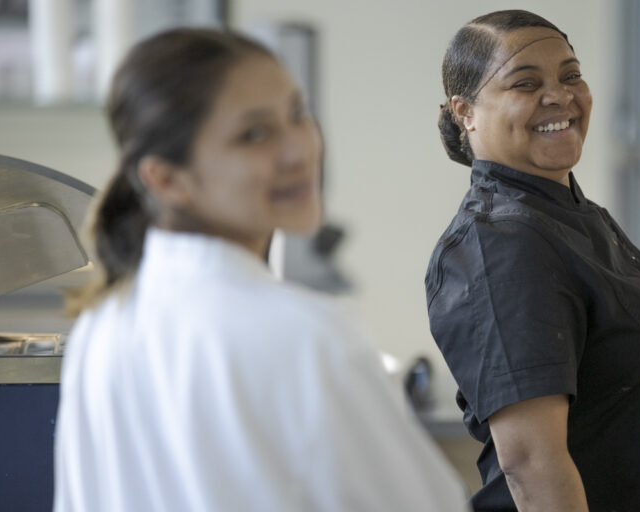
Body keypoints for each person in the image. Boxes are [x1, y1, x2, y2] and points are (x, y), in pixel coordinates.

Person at [54, 28, 468, 512]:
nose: (299, 149)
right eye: (253, 134)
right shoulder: (306, 336)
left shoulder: (102, 326)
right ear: (166, 179)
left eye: (297, 114)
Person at [425, 9, 640, 511]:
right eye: (525, 83)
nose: (559, 95)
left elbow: (611, 397)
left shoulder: (576, 220)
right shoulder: (500, 246)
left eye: (571, 75)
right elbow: (532, 464)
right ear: (465, 112)